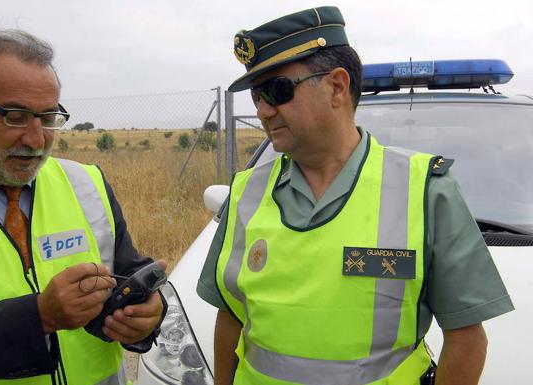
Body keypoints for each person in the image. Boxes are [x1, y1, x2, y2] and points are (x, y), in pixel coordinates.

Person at [197, 6, 514, 385]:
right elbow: (230, 317)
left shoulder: (426, 190)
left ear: (336, 86)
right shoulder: (246, 192)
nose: (264, 111)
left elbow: (465, 338)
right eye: (256, 97)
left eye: (276, 91)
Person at [0, 30, 166, 385]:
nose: (34, 140)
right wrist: (39, 317)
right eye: (14, 116)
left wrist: (146, 318)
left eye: (47, 118)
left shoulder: (87, 184)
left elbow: (127, 274)